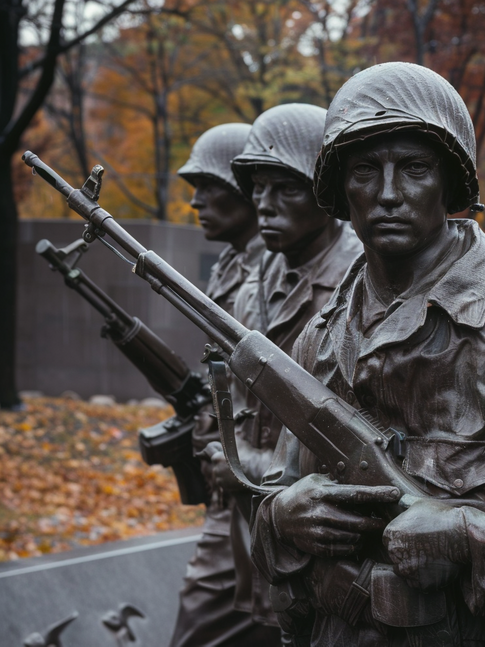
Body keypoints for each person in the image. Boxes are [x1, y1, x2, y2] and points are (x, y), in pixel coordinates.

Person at [251, 63, 485, 646]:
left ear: (449, 183)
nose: (387, 194)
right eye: (364, 170)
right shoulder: (320, 340)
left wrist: (475, 532)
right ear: (339, 189)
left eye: (413, 168)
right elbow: (282, 495)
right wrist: (281, 517)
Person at [204, 103, 362, 631]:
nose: (264, 207)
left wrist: (247, 464)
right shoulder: (258, 282)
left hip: (327, 536)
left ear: (326, 193)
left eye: (287, 189)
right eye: (258, 189)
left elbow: (349, 441)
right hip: (258, 521)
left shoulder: (361, 285)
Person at [169, 123, 279, 647]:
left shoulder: (276, 268)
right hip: (232, 474)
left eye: (207, 187)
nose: (195, 201)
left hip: (263, 475)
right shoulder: (235, 263)